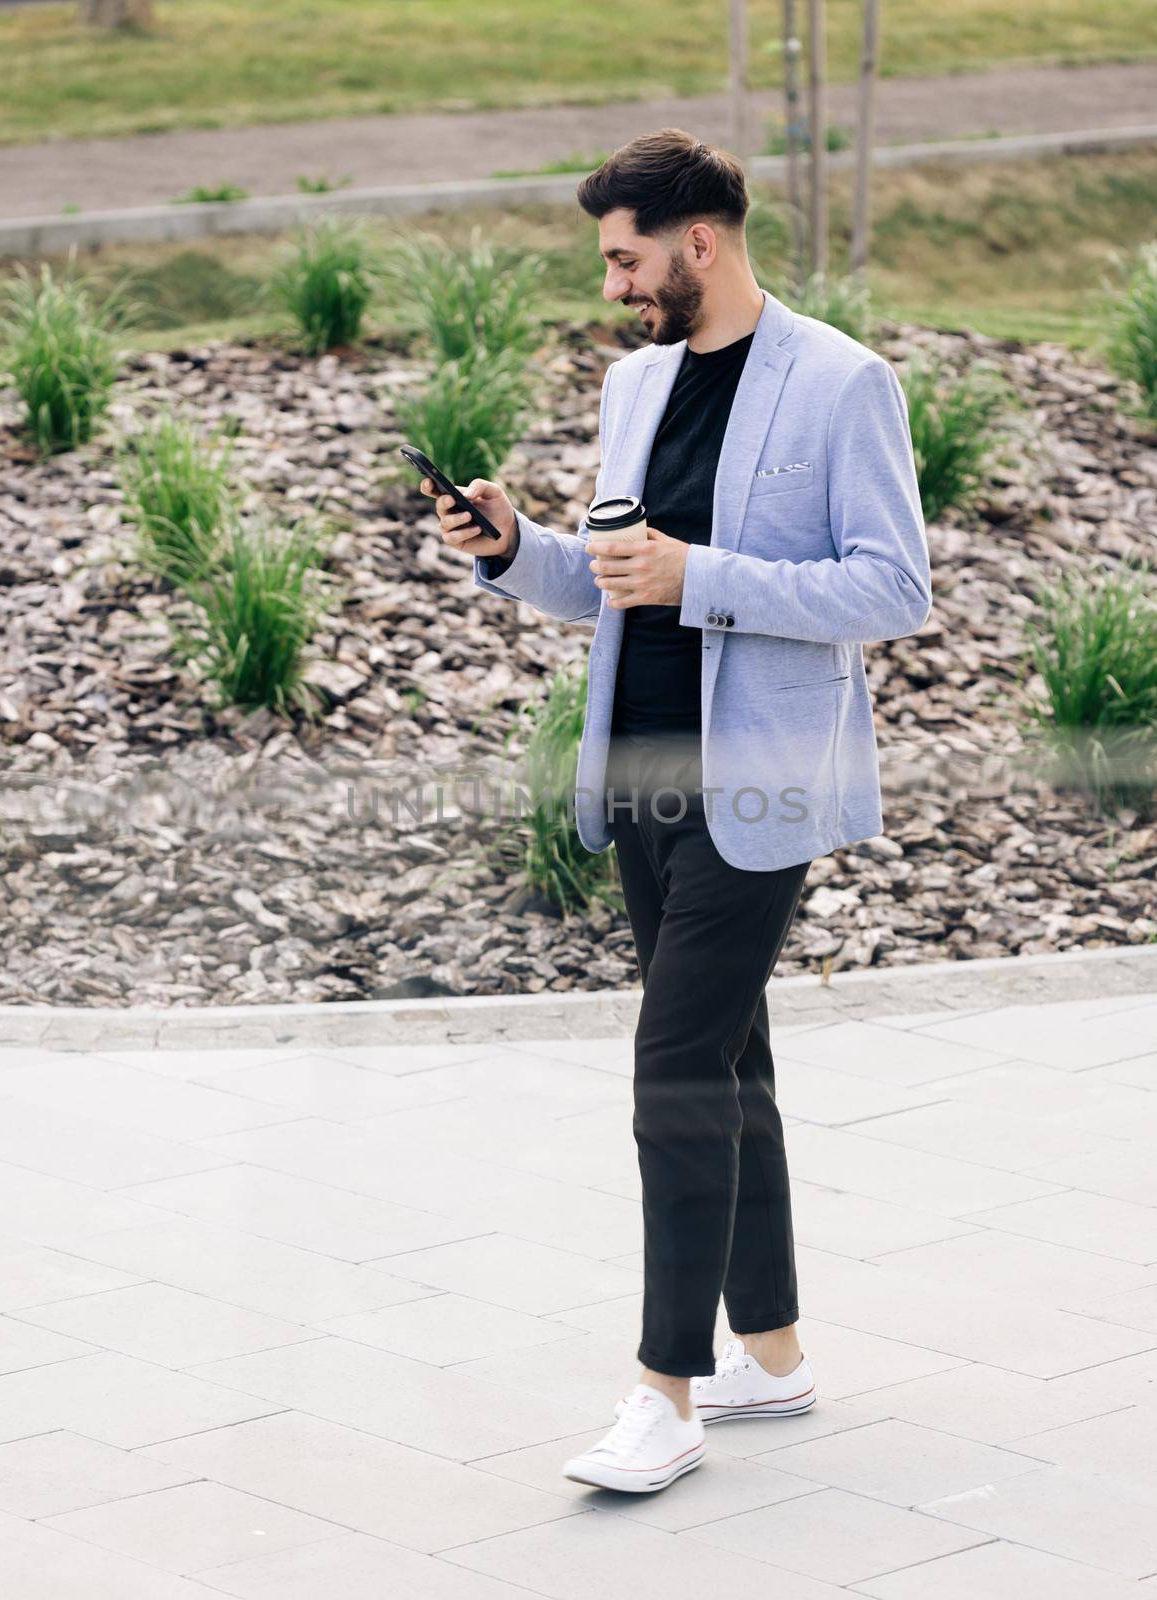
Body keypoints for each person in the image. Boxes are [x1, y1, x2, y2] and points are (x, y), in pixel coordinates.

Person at [419, 127, 931, 1495]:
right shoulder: (635, 387)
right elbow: (609, 581)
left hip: (758, 782)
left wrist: (703, 572)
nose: (616, 287)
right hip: (637, 777)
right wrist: (514, 550)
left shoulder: (842, 384)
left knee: (671, 1073)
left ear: (697, 241)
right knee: (728, 1067)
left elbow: (892, 591)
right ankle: (774, 1355)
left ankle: (667, 1394)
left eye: (626, 258)